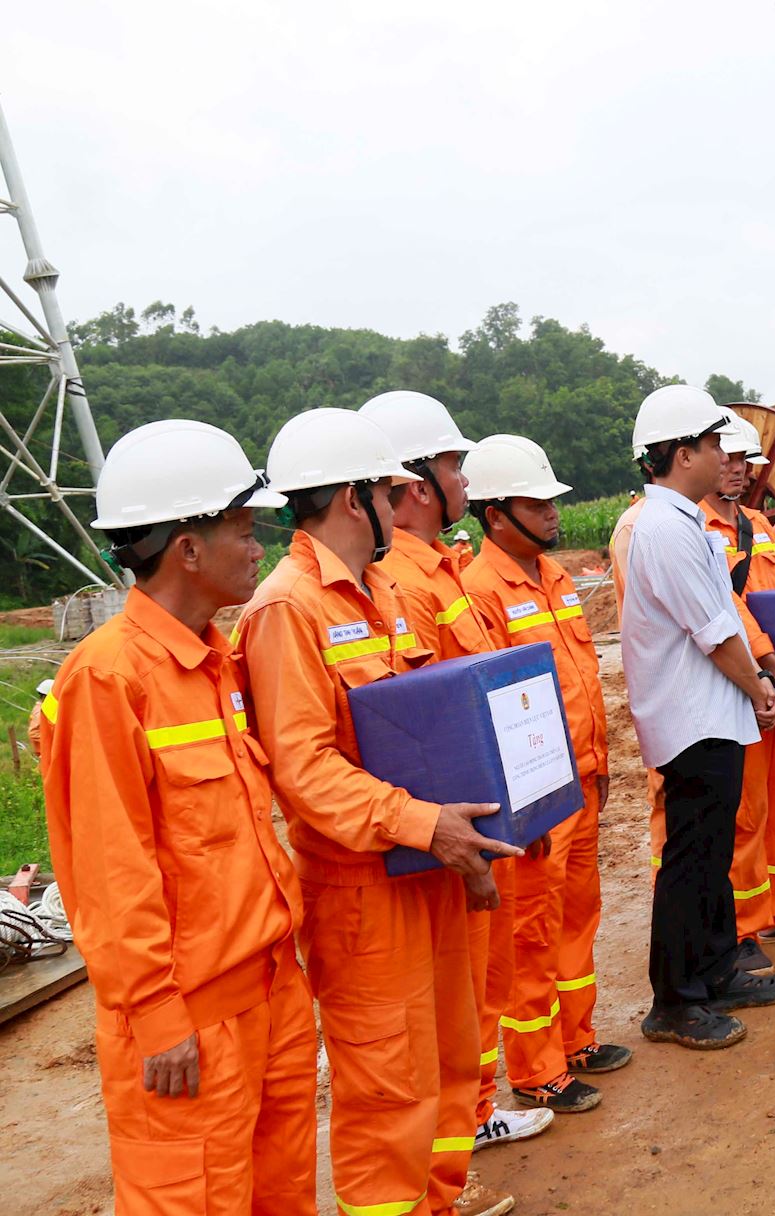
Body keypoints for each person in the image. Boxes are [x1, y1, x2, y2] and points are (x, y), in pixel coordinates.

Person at [234, 408, 516, 1216]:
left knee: (451, 1062)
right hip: (363, 888)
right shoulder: (287, 608)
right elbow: (304, 769)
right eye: (392, 494)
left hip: (428, 868)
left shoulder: (386, 589)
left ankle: (439, 1202)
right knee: (388, 1091)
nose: (403, 508)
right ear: (355, 500)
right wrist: (425, 825)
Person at [42, 420, 316, 1215]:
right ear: (186, 550)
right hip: (189, 1018)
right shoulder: (107, 680)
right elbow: (106, 868)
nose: (258, 545)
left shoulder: (216, 661)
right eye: (243, 529)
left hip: (270, 992)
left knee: (283, 1194)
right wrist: (157, 1015)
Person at [361, 390, 559, 1153]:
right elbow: (433, 727)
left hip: (478, 815)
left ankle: (473, 1116)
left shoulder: (438, 572)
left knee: (484, 978)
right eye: (451, 464)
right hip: (453, 826)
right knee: (461, 989)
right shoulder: (409, 584)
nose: (463, 480)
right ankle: (467, 1121)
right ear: (413, 483)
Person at [459, 435, 628, 1111]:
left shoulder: (555, 577)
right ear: (495, 513)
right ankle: (536, 1067)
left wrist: (602, 763)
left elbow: (581, 680)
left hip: (581, 778)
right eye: (538, 503)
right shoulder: (479, 590)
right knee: (533, 926)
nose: (554, 514)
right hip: (536, 793)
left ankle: (576, 1037)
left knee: (577, 916)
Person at [622, 385, 775, 1050]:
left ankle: (714, 970)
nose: (727, 457)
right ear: (682, 452)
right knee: (690, 860)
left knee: (711, 854)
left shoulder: (679, 521)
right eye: (716, 444)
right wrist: (759, 687)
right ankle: (675, 1000)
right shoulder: (664, 528)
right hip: (692, 719)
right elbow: (714, 632)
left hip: (707, 715)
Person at [663, 414, 775, 952]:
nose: (737, 469)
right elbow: (729, 611)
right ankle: (743, 926)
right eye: (729, 457)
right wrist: (774, 669)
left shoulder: (758, 526)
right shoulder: (692, 529)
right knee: (743, 811)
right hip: (740, 686)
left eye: (746, 461)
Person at [26, 676, 51, 758]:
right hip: (45, 752)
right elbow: (33, 732)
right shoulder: (40, 711)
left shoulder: (46, 708)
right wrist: (51, 740)